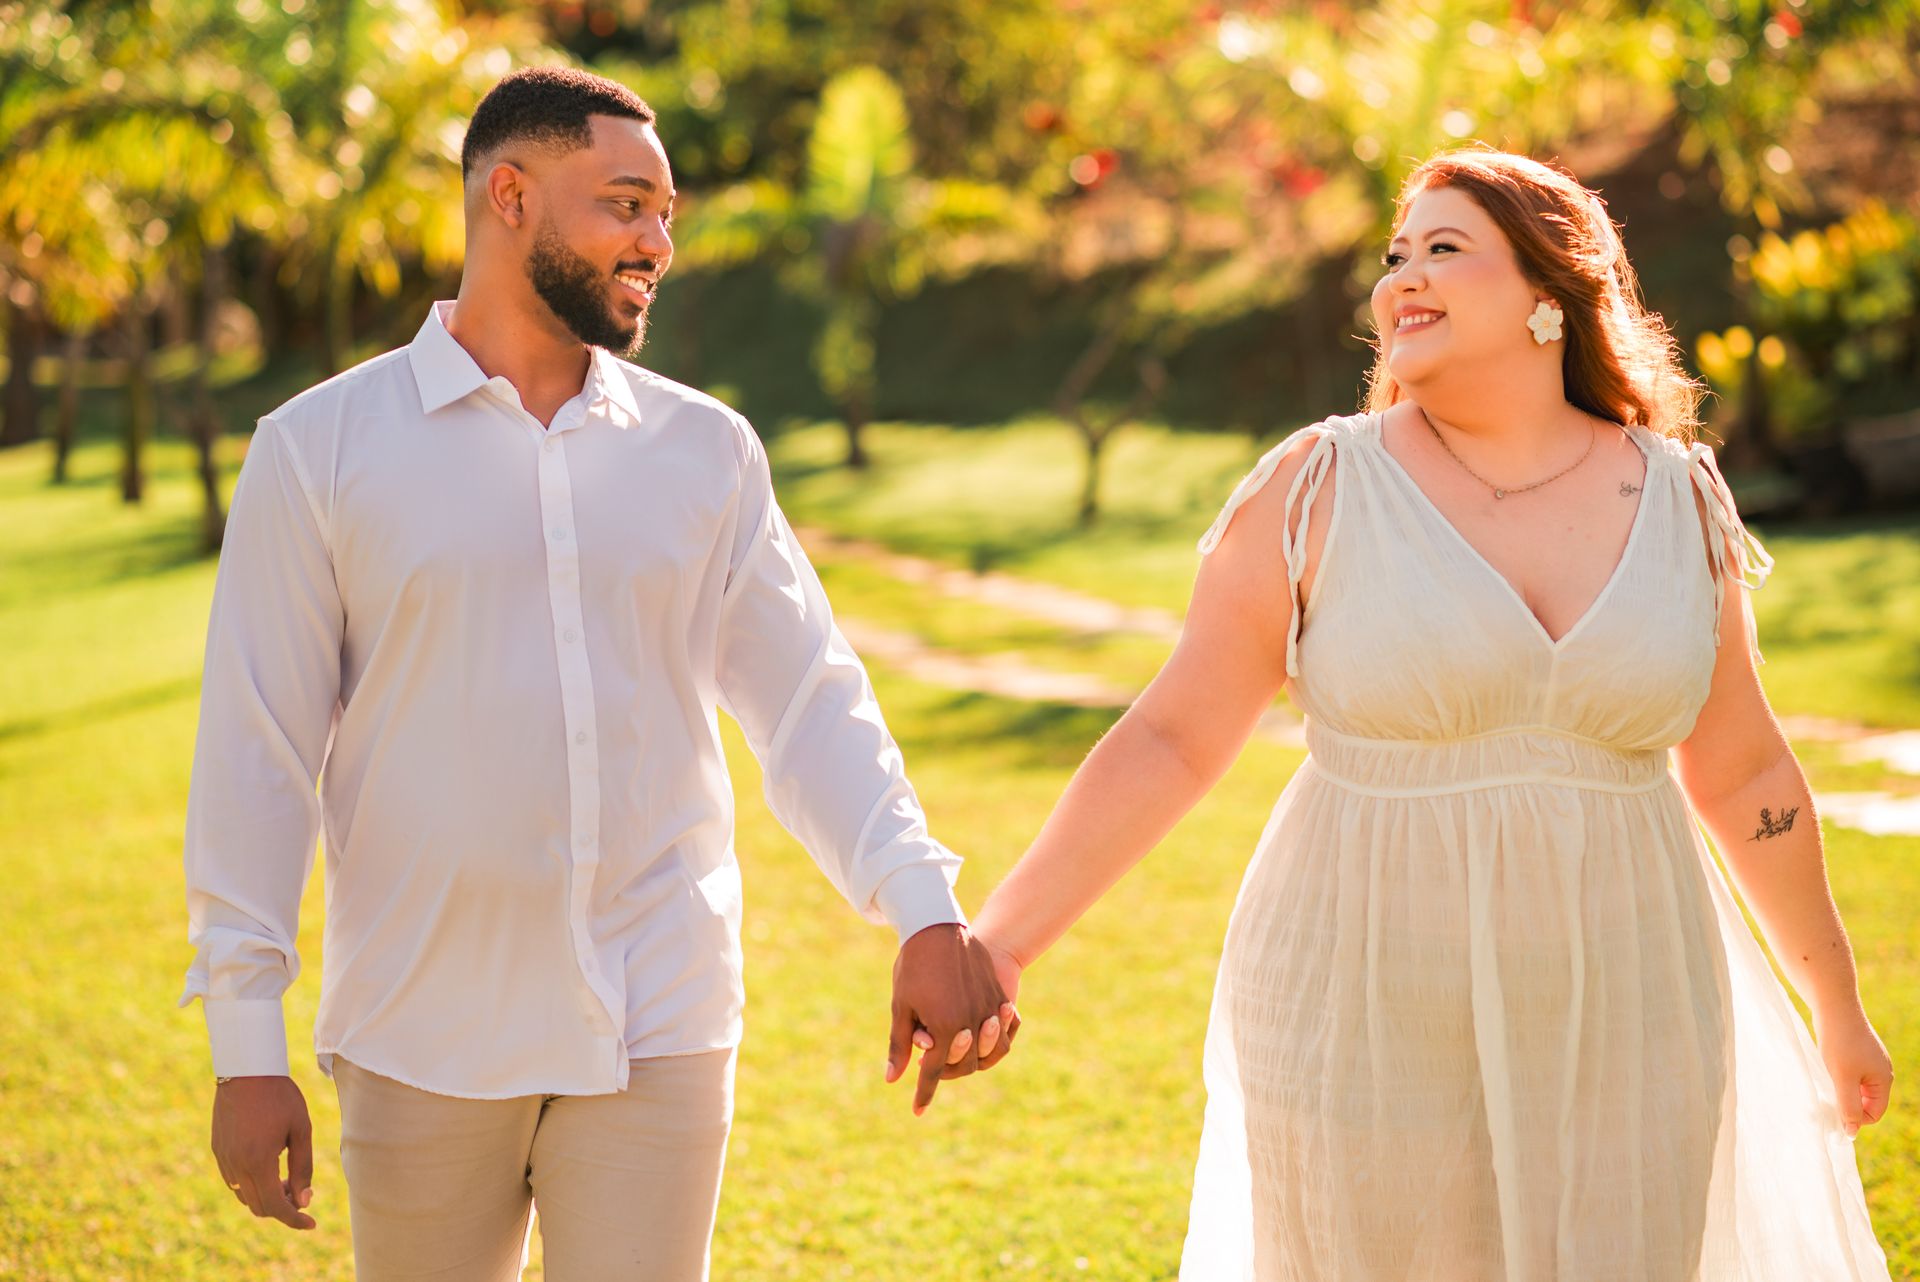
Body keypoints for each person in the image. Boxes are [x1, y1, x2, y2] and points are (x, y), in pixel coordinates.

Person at [970, 150, 1895, 1279]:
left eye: (1444, 249)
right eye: (1394, 254)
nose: (1401, 277)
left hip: (1636, 1001)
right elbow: (1172, 736)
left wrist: (1834, 998)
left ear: (1551, 294)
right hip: (1361, 1000)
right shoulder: (1315, 488)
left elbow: (1746, 772)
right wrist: (1001, 941)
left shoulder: (1677, 497)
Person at [180, 66, 1013, 1281]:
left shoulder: (705, 450)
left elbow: (807, 700)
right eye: (627, 205)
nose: (659, 242)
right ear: (507, 196)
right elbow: (257, 753)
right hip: (424, 1031)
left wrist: (921, 902)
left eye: (667, 213)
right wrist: (245, 1044)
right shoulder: (318, 451)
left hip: (658, 1022)